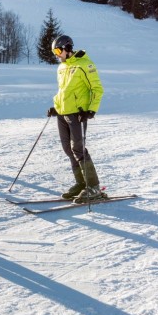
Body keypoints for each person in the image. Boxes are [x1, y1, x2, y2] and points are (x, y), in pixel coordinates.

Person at [46, 35, 105, 203]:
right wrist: (56, 107)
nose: (57, 54)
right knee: (67, 149)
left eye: (58, 51)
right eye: (54, 52)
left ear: (67, 48)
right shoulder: (62, 68)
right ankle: (81, 184)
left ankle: (93, 187)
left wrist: (91, 110)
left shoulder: (85, 65)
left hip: (78, 113)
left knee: (78, 148)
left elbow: (97, 89)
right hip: (63, 112)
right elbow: (63, 90)